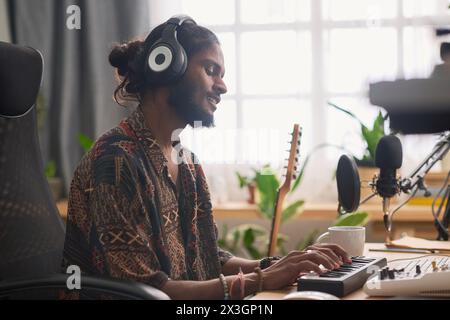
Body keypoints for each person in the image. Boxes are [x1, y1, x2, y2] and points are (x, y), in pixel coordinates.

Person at [62, 15, 351, 300]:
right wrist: (262, 279)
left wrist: (282, 264)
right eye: (211, 69)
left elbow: (209, 258)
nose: (223, 86)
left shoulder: (188, 163)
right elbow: (148, 292)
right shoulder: (115, 162)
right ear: (168, 68)